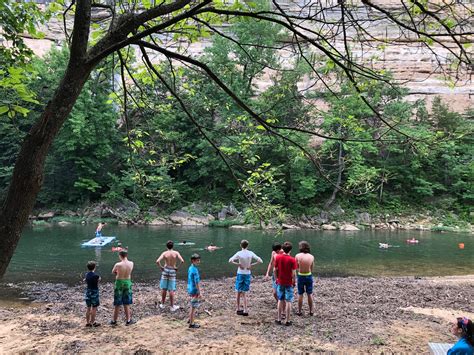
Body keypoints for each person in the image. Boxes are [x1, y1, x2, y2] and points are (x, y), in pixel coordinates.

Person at [228, 240, 263, 316]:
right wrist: (251, 265)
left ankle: (238, 309)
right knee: (244, 293)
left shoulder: (239, 253)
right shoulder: (250, 253)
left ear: (241, 245)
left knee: (238, 291)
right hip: (247, 273)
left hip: (240, 273)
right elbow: (260, 261)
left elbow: (230, 260)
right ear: (247, 246)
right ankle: (245, 310)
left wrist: (238, 264)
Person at [156, 240, 184, 311]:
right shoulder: (176, 253)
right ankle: (172, 306)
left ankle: (162, 304)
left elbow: (157, 261)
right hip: (172, 270)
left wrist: (161, 267)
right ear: (173, 246)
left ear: (166, 246)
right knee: (171, 289)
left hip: (165, 270)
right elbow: (182, 261)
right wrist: (177, 267)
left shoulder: (165, 253)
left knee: (164, 288)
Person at [274, 241, 297, 326]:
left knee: (280, 300)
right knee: (288, 301)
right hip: (289, 283)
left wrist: (276, 278)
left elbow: (275, 269)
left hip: (280, 282)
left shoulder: (278, 257)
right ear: (290, 250)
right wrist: (294, 281)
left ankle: (279, 319)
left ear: (282, 249)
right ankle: (287, 320)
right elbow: (294, 273)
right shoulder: (292, 259)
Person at [110, 250, 135, 326]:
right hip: (127, 282)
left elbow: (113, 272)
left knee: (117, 302)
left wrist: (118, 273)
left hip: (119, 282)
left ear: (120, 256)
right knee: (126, 302)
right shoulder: (131, 263)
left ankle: (114, 321)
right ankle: (128, 320)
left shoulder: (118, 264)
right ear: (126, 255)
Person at [295, 241, 314, 316]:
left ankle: (299, 311)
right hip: (309, 275)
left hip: (300, 275)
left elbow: (296, 267)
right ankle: (311, 311)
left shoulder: (297, 256)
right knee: (309, 294)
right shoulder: (311, 256)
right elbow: (312, 268)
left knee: (300, 294)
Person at [84, 261, 101, 327]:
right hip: (94, 292)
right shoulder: (96, 276)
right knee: (94, 308)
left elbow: (86, 280)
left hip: (88, 291)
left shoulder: (86, 275)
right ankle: (93, 322)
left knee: (88, 308)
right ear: (94, 267)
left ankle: (88, 322)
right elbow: (99, 279)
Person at [187, 253, 202, 329]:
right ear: (193, 261)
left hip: (190, 288)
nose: (199, 262)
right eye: (197, 260)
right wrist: (199, 292)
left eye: (199, 260)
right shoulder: (195, 270)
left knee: (192, 304)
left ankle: (190, 319)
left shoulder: (190, 268)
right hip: (194, 289)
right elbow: (197, 282)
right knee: (193, 306)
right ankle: (191, 324)